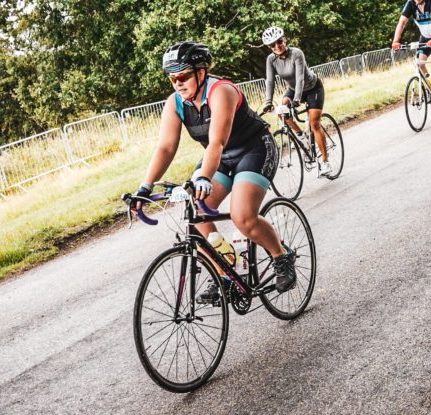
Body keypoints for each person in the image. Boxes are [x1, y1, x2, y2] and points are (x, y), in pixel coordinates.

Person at [132, 41, 297, 301]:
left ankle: (281, 255)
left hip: (254, 148)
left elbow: (217, 142)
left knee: (242, 216)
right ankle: (226, 270)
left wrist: (203, 177)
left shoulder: (221, 91)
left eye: (184, 75)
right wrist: (145, 187)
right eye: (172, 78)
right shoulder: (174, 103)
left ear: (201, 72)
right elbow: (165, 147)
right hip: (219, 157)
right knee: (194, 214)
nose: (178, 83)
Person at [260, 26, 332, 178]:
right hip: (293, 89)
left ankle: (325, 162)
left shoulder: (296, 53)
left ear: (284, 40)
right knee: (282, 110)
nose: (277, 46)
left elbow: (300, 78)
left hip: (312, 88)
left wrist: (297, 99)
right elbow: (270, 81)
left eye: (279, 42)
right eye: (272, 45)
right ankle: (301, 136)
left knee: (314, 124)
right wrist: (268, 101)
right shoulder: (271, 60)